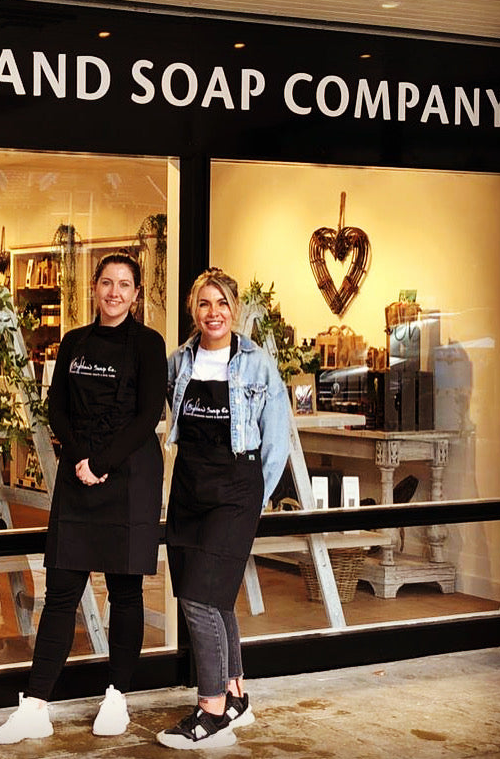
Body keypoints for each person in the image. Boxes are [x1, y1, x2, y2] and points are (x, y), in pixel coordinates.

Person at [0, 252, 167, 745]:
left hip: (129, 477)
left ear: (136, 294)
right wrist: (81, 457)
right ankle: (35, 706)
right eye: (107, 282)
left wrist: (102, 462)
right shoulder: (73, 342)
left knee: (125, 593)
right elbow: (56, 408)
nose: (114, 292)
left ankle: (117, 697)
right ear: (94, 287)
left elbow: (148, 414)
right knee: (61, 591)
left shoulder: (149, 344)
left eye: (124, 285)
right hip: (79, 472)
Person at [156, 268, 289, 750]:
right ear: (194, 310)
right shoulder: (179, 361)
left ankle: (210, 710)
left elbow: (277, 438)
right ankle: (235, 695)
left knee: (199, 596)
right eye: (204, 303)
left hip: (236, 487)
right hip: (190, 485)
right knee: (216, 597)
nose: (214, 313)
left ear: (235, 309)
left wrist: (255, 496)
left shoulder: (257, 364)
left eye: (222, 303)